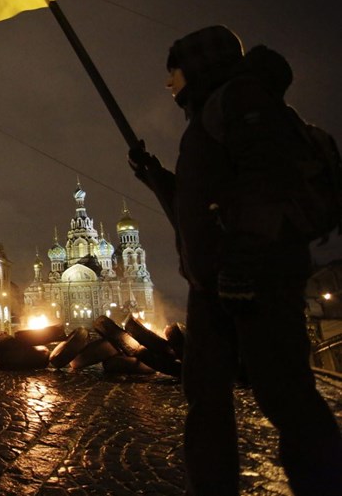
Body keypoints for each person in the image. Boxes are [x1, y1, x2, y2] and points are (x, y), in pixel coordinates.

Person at [128, 25, 342, 495]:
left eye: (175, 72)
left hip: (255, 277)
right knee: (205, 397)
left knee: (284, 393)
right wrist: (155, 175)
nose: (169, 84)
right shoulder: (208, 115)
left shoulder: (242, 101)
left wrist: (243, 261)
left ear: (200, 65)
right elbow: (202, 201)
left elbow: (268, 181)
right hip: (213, 284)